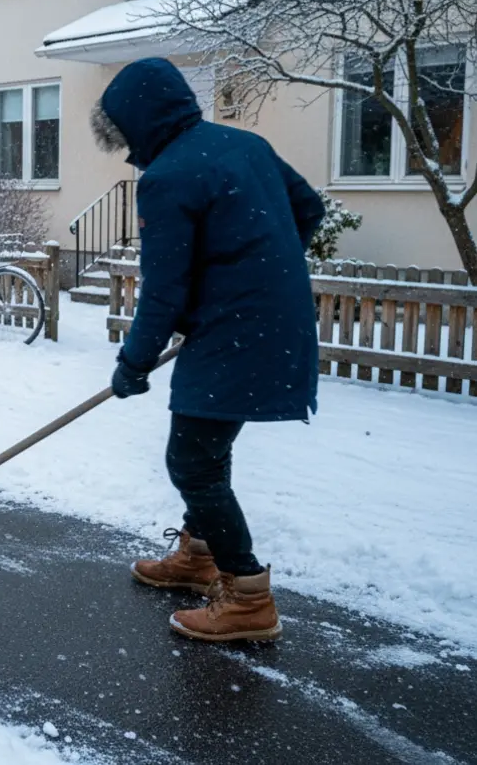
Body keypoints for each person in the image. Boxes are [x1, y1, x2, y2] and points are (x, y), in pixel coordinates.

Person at [90, 58, 325, 643]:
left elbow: (164, 289)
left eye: (124, 135)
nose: (128, 151)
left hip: (235, 331)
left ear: (140, 122)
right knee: (208, 450)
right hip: (272, 322)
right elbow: (310, 210)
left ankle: (247, 596)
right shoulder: (245, 144)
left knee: (192, 461)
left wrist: (133, 362)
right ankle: (198, 557)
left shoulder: (167, 177)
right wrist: (259, 273)